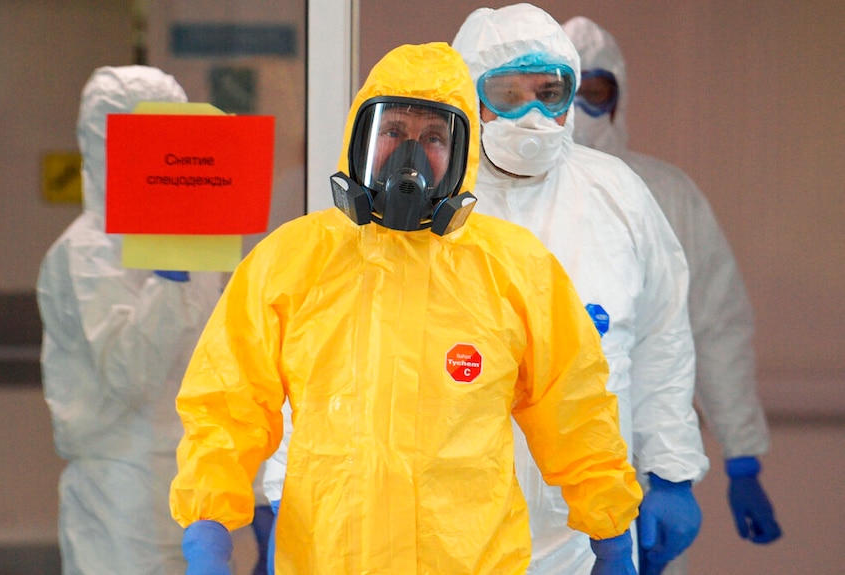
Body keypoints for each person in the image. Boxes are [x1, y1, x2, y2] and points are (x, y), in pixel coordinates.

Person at [169, 41, 643, 575]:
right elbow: (226, 405)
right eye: (393, 131)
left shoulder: (515, 269)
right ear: (360, 138)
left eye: (434, 137)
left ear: (461, 153)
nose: (409, 154)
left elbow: (574, 403)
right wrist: (208, 526)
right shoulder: (292, 261)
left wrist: (609, 528)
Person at [451, 5, 710, 575]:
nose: (535, 114)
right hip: (452, 527)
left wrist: (670, 471)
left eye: (550, 91)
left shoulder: (616, 194)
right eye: (508, 93)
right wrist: (285, 483)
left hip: (592, 527)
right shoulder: (435, 205)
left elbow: (662, 338)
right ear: (466, 94)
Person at [564, 14, 782, 572]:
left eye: (597, 91)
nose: (583, 108)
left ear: (619, 96)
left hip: (643, 466)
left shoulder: (664, 195)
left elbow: (714, 325)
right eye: (570, 90)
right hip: (535, 463)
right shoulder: (505, 200)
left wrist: (742, 457)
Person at [36, 66, 226, 574]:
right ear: (101, 145)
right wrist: (169, 282)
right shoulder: (83, 253)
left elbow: (224, 368)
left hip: (195, 489)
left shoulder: (199, 247)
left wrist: (251, 490)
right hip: (118, 497)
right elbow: (129, 374)